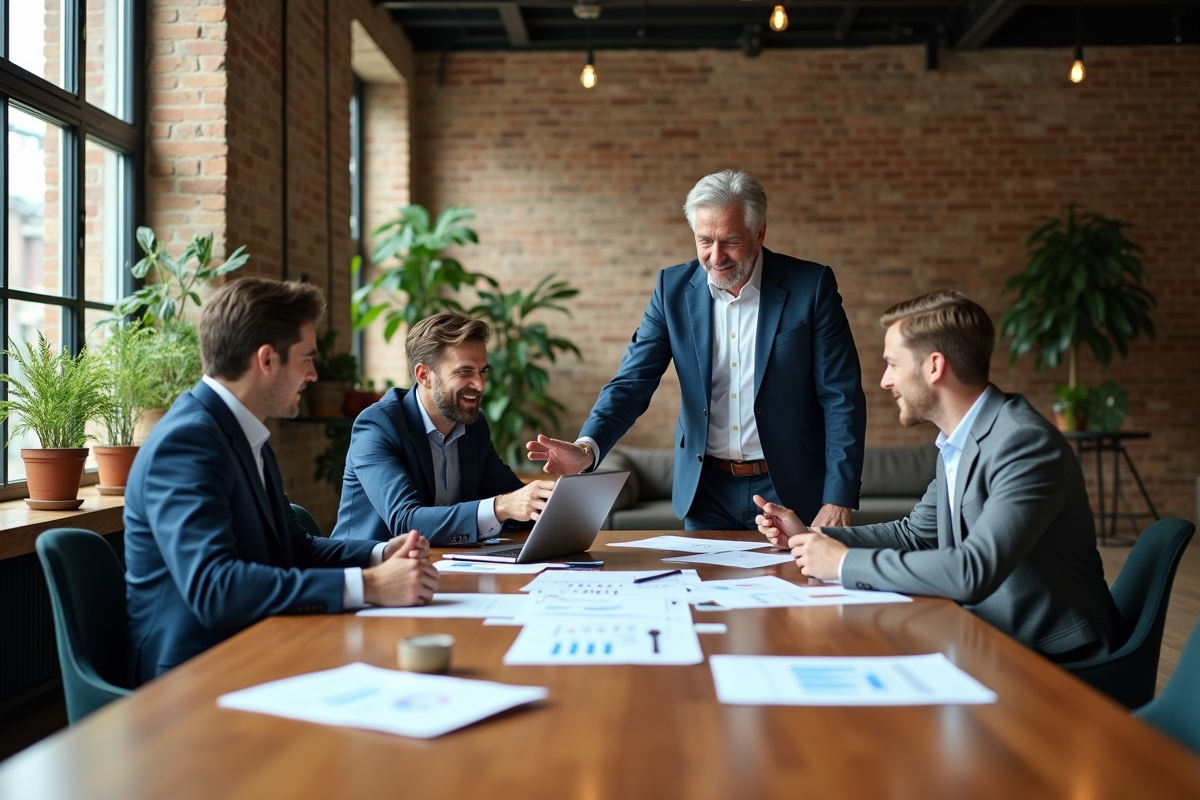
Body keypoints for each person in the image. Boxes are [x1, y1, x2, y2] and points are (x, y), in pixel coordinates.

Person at [755, 290, 1121, 661]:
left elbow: (972, 570)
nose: (884, 381)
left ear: (934, 366)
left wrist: (842, 564)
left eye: (893, 365)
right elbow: (914, 535)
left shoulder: (1023, 444)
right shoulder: (956, 441)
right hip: (985, 636)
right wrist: (811, 537)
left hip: (1057, 660)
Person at [124, 278, 438, 684]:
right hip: (193, 677)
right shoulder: (187, 443)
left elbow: (295, 549)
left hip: (258, 644)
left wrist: (380, 553)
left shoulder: (245, 434)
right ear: (266, 360)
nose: (313, 375)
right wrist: (369, 585)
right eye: (306, 358)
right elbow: (213, 589)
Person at [527, 169, 866, 530]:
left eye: (730, 241)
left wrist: (838, 498)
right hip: (706, 491)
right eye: (705, 240)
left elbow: (841, 396)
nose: (715, 256)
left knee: (795, 585)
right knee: (701, 585)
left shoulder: (810, 288)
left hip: (789, 488)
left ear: (760, 232)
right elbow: (632, 382)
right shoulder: (671, 290)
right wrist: (586, 449)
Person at [330, 312, 554, 546]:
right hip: (368, 572)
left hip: (445, 566)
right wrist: (501, 507)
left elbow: (517, 502)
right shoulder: (379, 426)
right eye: (465, 371)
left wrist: (556, 499)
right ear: (424, 375)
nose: (480, 385)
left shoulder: (473, 427)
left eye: (483, 371)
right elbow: (405, 521)